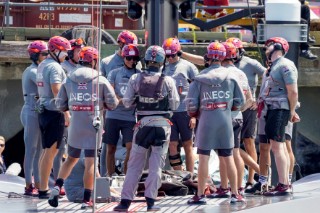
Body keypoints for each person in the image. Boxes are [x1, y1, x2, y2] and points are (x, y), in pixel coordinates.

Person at [48, 46, 119, 209]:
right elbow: (113, 104)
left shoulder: (69, 78)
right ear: (94, 61)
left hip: (75, 124)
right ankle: (87, 199)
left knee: (71, 159)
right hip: (93, 126)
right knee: (90, 163)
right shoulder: (101, 80)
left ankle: (57, 187)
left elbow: (60, 104)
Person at [113, 45, 180, 212]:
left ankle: (125, 202)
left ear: (146, 60)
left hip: (142, 124)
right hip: (163, 126)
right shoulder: (168, 80)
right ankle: (151, 202)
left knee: (135, 164)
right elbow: (175, 104)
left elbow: (127, 102)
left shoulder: (135, 78)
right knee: (156, 165)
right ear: (162, 61)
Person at [186, 42, 245, 205]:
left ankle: (200, 195)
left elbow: (191, 104)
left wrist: (195, 114)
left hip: (206, 120)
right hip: (225, 120)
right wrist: (228, 108)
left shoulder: (199, 78)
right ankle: (235, 194)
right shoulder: (232, 76)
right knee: (228, 157)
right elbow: (240, 101)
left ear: (208, 57)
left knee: (203, 158)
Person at [253, 37, 299, 196]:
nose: (266, 48)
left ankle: (284, 184)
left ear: (278, 47)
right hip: (271, 109)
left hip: (279, 109)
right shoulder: (273, 67)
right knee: (276, 145)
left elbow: (293, 91)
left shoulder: (285, 65)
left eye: (269, 45)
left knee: (278, 146)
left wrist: (292, 111)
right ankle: (282, 183)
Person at [207, 41, 253, 198]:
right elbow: (249, 99)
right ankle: (238, 186)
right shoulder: (240, 73)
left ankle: (226, 187)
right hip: (237, 117)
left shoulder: (222, 73)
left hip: (223, 117)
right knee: (234, 152)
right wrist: (238, 111)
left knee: (225, 153)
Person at [226, 37, 266, 189]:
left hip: (249, 107)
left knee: (248, 142)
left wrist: (260, 98)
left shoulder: (250, 63)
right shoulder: (225, 65)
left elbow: (269, 76)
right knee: (233, 144)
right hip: (232, 108)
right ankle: (240, 180)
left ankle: (251, 179)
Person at [100, 30, 141, 177]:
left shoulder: (138, 67)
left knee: (131, 146)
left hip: (129, 114)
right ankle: (106, 177)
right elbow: (104, 87)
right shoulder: (106, 63)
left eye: (134, 57)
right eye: (127, 46)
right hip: (111, 111)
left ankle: (126, 175)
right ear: (120, 44)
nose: (131, 59)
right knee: (107, 147)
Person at [36, 36, 71, 199]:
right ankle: (43, 189)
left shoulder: (42, 65)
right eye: (64, 52)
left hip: (44, 111)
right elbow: (57, 90)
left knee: (45, 151)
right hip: (54, 113)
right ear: (56, 50)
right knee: (51, 151)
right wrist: (66, 113)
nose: (66, 55)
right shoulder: (56, 68)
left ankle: (42, 186)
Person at [162, 38, 198, 174]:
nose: (170, 58)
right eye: (167, 56)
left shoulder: (188, 67)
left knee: (188, 145)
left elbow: (197, 90)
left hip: (185, 111)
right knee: (172, 145)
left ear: (178, 53)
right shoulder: (162, 68)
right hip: (170, 112)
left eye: (173, 55)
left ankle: (191, 175)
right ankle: (180, 173)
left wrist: (194, 115)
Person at [20, 40, 48, 196]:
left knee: (39, 151)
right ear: (35, 55)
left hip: (38, 110)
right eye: (44, 54)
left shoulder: (39, 70)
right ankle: (28, 184)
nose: (46, 57)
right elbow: (47, 86)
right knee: (31, 150)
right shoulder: (33, 71)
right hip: (31, 111)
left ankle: (38, 182)